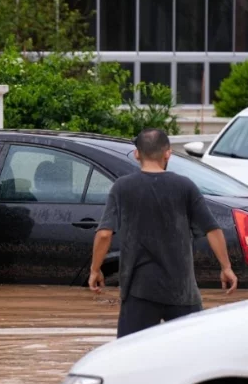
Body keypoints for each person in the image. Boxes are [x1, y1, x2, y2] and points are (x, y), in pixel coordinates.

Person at [88, 128, 238, 338]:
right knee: (193, 350)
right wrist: (226, 267)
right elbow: (212, 229)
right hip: (182, 290)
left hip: (138, 291)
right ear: (168, 153)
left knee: (130, 352)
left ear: (137, 154)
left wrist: (95, 270)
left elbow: (104, 234)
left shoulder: (122, 187)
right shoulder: (185, 186)